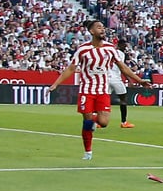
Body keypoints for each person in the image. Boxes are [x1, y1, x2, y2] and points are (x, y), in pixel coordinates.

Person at [48, 20, 152, 160]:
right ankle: (88, 152)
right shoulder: (83, 49)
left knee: (103, 122)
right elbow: (72, 68)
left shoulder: (110, 49)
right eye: (99, 27)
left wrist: (139, 80)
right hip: (87, 90)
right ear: (91, 31)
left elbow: (123, 67)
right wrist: (56, 84)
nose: (102, 30)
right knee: (88, 120)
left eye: (103, 27)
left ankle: (91, 122)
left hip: (103, 90)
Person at [107, 38, 136, 128]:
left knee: (104, 100)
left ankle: (97, 121)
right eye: (124, 46)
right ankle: (124, 122)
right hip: (115, 79)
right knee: (123, 99)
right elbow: (122, 68)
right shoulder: (120, 54)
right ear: (119, 45)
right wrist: (130, 80)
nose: (125, 48)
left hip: (107, 78)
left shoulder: (111, 52)